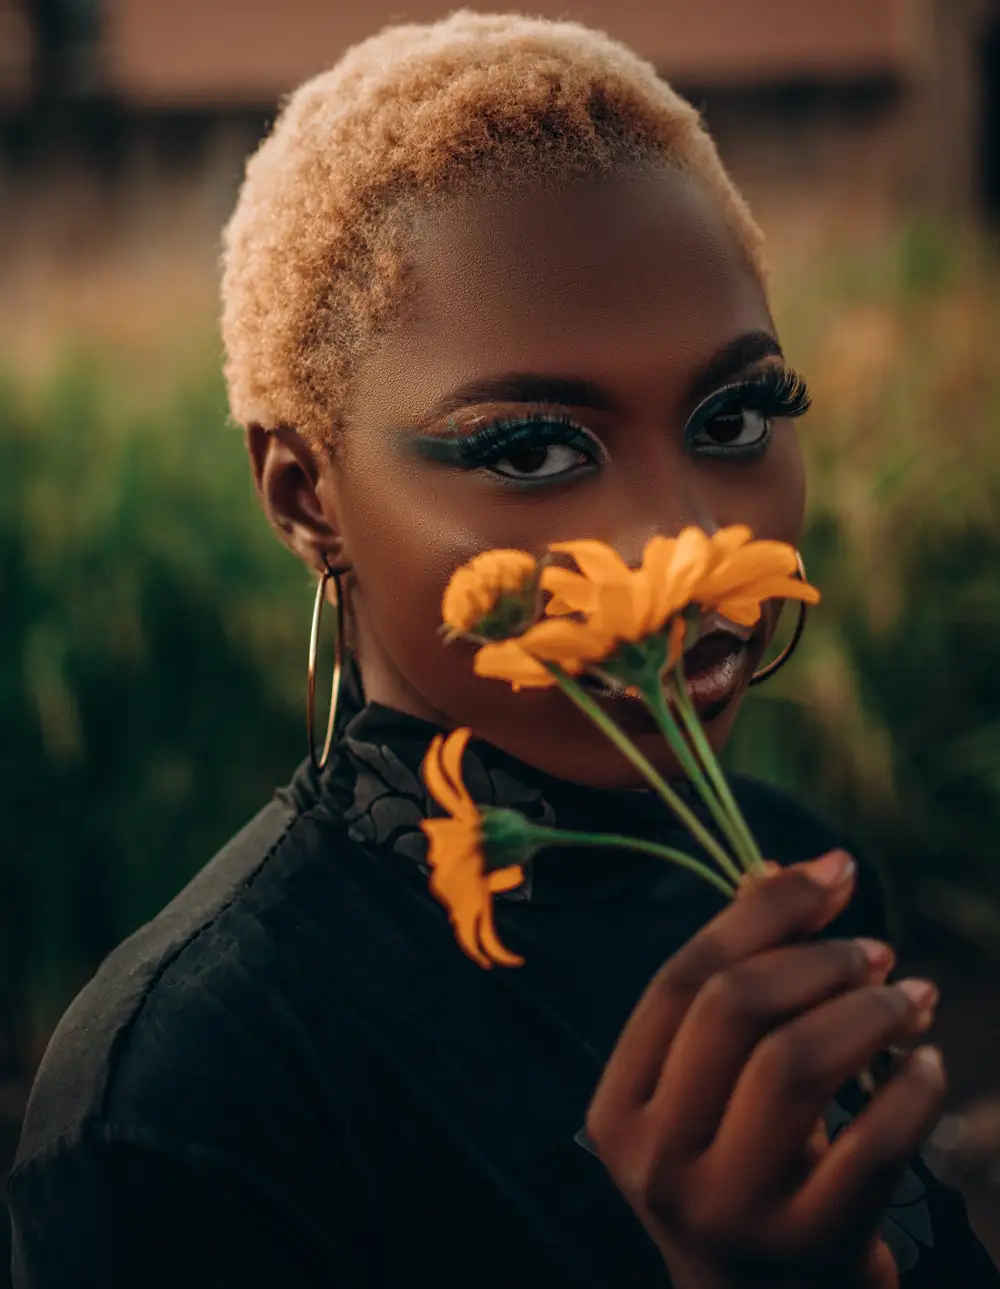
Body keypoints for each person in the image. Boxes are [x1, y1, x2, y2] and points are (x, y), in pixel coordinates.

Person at [8, 12, 999, 1288]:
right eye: (530, 451)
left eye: (735, 414)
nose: (677, 544)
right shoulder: (176, 1095)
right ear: (307, 496)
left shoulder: (796, 874)